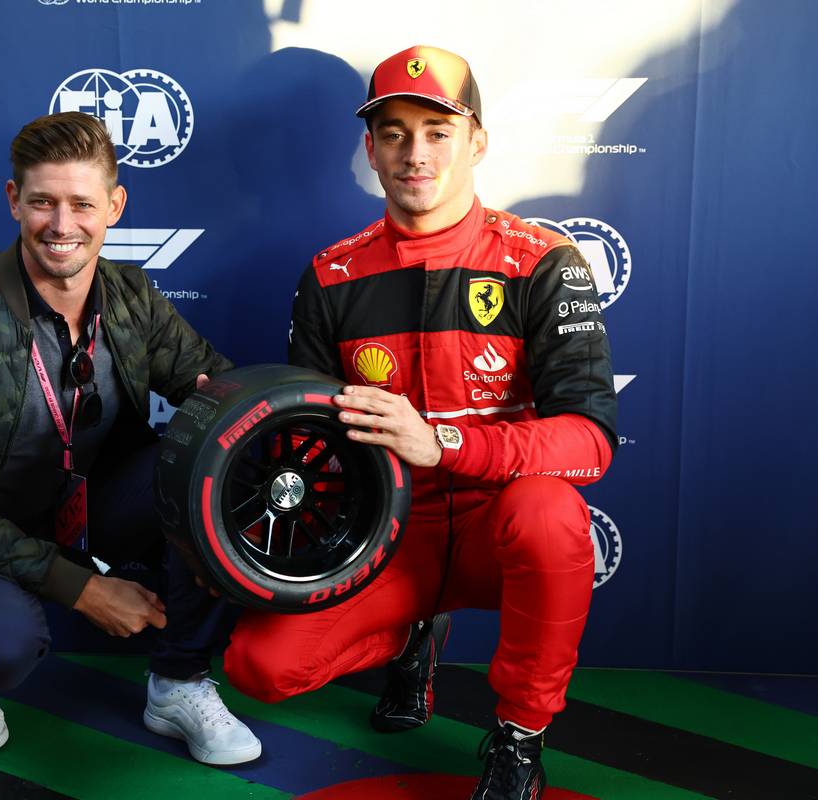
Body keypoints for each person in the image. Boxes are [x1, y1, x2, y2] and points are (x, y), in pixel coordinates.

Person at [223, 46, 617, 800]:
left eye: (439, 131)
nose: (415, 153)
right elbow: (310, 442)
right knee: (259, 669)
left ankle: (519, 737)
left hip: (499, 528)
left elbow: (590, 441)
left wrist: (442, 442)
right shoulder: (333, 275)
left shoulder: (542, 261)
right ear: (371, 150)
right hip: (388, 538)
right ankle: (411, 635)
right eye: (394, 133)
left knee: (551, 512)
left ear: (477, 142)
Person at [0, 112, 261, 766]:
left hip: (84, 510)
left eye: (81, 204)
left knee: (216, 469)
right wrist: (82, 589)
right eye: (42, 203)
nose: (61, 225)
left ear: (114, 206)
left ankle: (178, 680)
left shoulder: (132, 295)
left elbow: (215, 384)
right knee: (0, 643)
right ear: (13, 200)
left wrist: (239, 408)